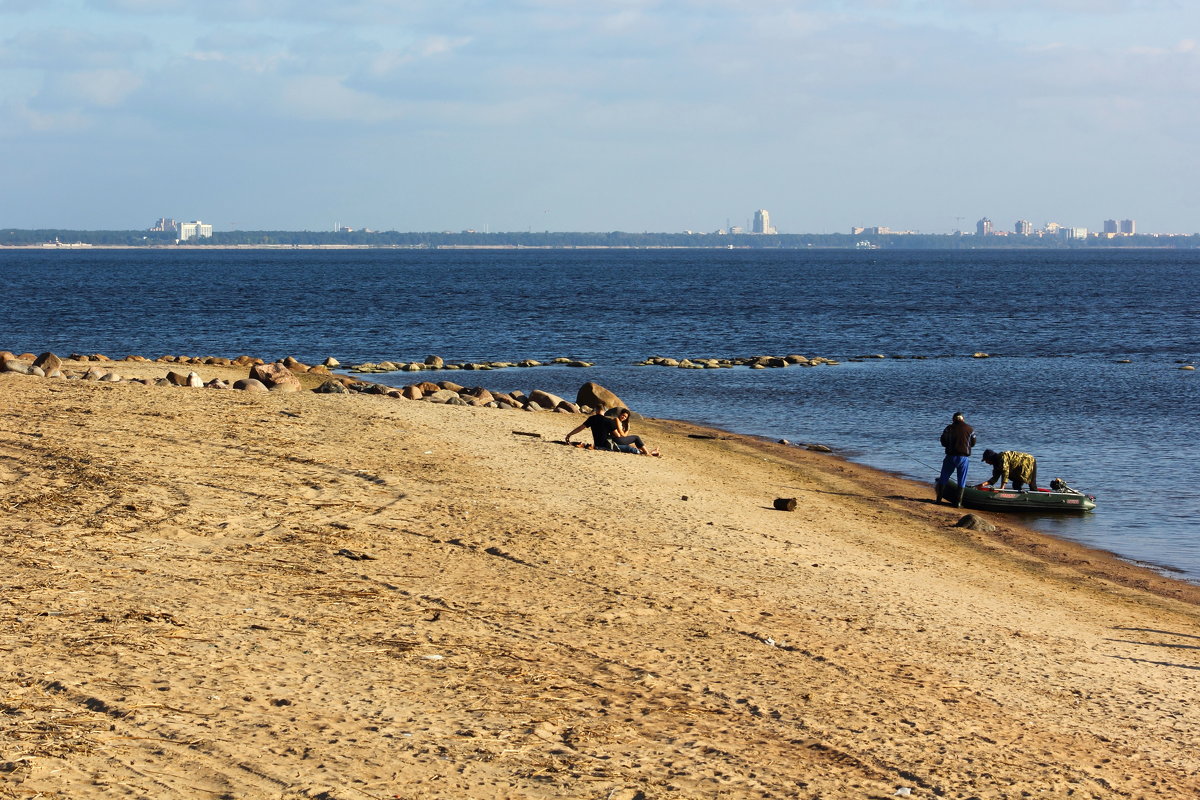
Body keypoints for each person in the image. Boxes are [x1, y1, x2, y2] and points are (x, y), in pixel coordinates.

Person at [936, 412, 976, 506]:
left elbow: (943, 441)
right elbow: (973, 443)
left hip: (950, 456)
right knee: (961, 480)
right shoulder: (970, 429)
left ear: (953, 419)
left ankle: (938, 500)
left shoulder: (948, 428)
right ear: (963, 419)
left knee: (944, 477)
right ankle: (958, 503)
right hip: (963, 458)